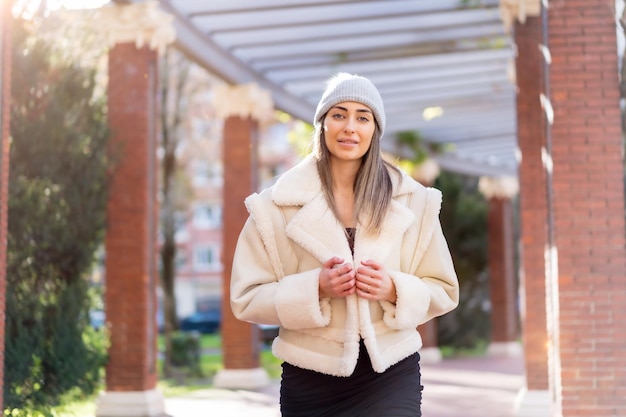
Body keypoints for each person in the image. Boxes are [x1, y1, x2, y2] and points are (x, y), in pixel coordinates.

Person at [230, 72, 459, 417]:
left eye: (362, 117)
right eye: (339, 114)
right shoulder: (274, 206)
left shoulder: (415, 202)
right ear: (322, 124)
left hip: (391, 370)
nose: (350, 126)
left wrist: (394, 289)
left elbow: (444, 288)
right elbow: (245, 297)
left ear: (374, 131)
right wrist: (314, 288)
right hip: (310, 377)